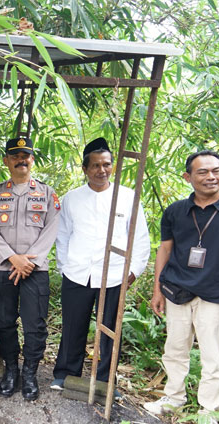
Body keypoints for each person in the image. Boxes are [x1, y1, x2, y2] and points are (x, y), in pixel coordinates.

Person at [144, 150, 219, 424]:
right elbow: (164, 249)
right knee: (175, 349)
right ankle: (173, 398)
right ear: (188, 177)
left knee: (213, 357)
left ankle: (209, 413)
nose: (211, 177)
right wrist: (158, 289)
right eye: (203, 172)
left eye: (216, 170)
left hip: (218, 295)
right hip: (178, 290)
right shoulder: (176, 210)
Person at [51, 138, 150, 393]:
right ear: (85, 169)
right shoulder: (71, 199)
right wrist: (64, 267)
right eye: (95, 165)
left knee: (109, 331)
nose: (101, 170)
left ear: (112, 167)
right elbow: (62, 236)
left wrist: (133, 270)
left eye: (106, 164)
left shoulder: (128, 197)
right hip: (77, 273)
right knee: (74, 326)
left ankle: (106, 381)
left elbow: (138, 237)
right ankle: (65, 374)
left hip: (115, 274)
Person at [0, 137, 59, 401]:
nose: (21, 160)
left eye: (25, 155)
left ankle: (30, 373)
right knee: (4, 322)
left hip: (35, 271)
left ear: (32, 159)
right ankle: (11, 370)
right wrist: (13, 258)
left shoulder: (47, 193)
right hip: (3, 269)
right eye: (15, 156)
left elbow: (51, 230)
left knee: (34, 325)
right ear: (7, 161)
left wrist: (29, 262)